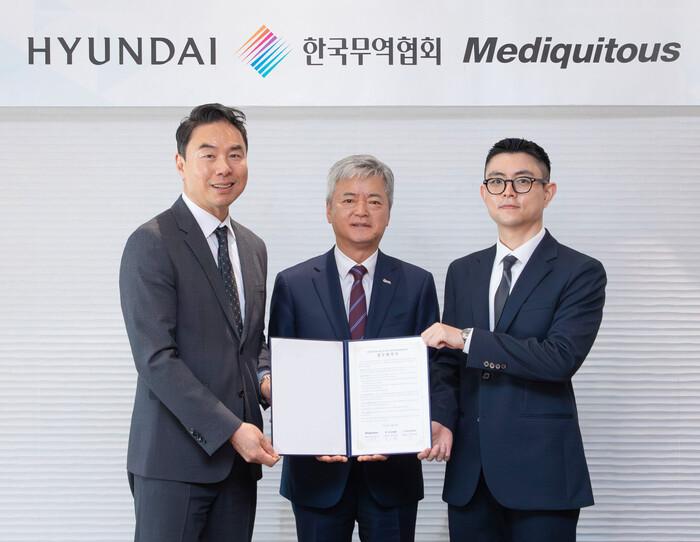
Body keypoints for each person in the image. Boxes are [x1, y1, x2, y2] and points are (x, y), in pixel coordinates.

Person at [421, 138, 606, 542]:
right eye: (497, 181)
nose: (508, 191)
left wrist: (468, 339)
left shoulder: (580, 271)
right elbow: (448, 362)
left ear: (548, 191)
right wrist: (442, 418)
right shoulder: (462, 271)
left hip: (542, 473)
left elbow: (559, 358)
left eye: (523, 181)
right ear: (483, 192)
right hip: (470, 473)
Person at [119, 103, 278, 542]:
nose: (224, 167)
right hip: (173, 463)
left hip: (239, 467)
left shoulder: (253, 247)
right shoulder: (151, 242)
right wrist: (230, 430)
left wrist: (266, 381)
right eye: (208, 154)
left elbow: (251, 344)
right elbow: (156, 359)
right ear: (180, 163)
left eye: (235, 154)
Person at [266, 154, 440, 542]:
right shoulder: (293, 284)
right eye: (349, 199)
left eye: (374, 201)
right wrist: (302, 432)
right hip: (315, 474)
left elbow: (434, 368)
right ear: (329, 210)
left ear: (388, 213)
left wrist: (419, 427)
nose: (362, 210)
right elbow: (280, 368)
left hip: (393, 474)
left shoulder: (417, 284)